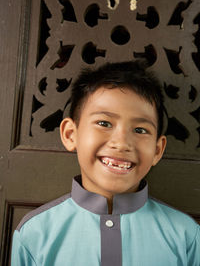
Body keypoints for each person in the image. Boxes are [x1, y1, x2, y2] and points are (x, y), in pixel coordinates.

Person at [11, 60, 200, 265]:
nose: (121, 143)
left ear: (157, 150)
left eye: (140, 130)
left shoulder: (186, 237)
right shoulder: (34, 234)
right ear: (70, 134)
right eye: (104, 123)